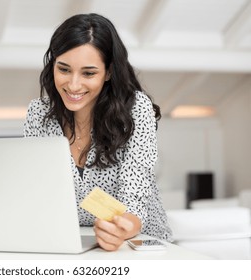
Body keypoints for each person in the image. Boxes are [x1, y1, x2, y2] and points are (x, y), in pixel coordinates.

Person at [23, 13, 172, 251]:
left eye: (88, 73)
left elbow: (135, 193)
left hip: (140, 243)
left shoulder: (135, 109)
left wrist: (123, 228)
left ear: (109, 72)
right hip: (72, 243)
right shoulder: (38, 114)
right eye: (64, 69)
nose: (73, 85)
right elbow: (37, 190)